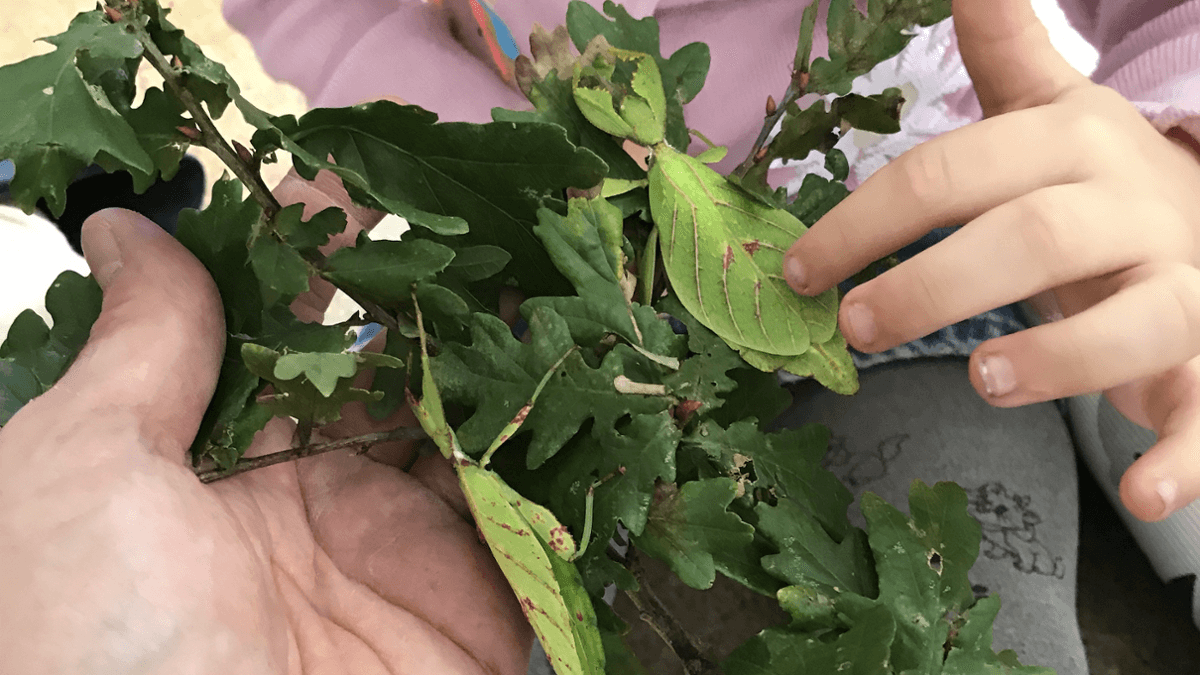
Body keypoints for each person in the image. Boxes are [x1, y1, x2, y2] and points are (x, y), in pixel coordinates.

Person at [0, 2, 1196, 675]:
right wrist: (497, 138)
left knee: (989, 600)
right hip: (552, 272)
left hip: (898, 228)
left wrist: (1176, 158)